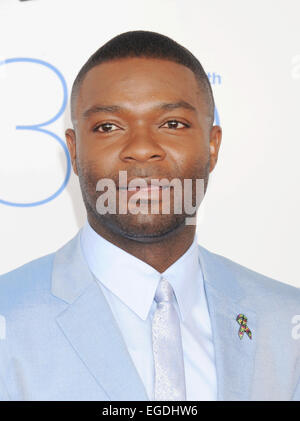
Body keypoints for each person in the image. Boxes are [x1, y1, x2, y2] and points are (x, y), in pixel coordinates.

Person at [0, 30, 299, 401]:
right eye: (108, 127)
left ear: (212, 145)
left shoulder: (286, 321)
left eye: (172, 124)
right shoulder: (7, 320)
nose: (141, 149)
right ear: (74, 153)